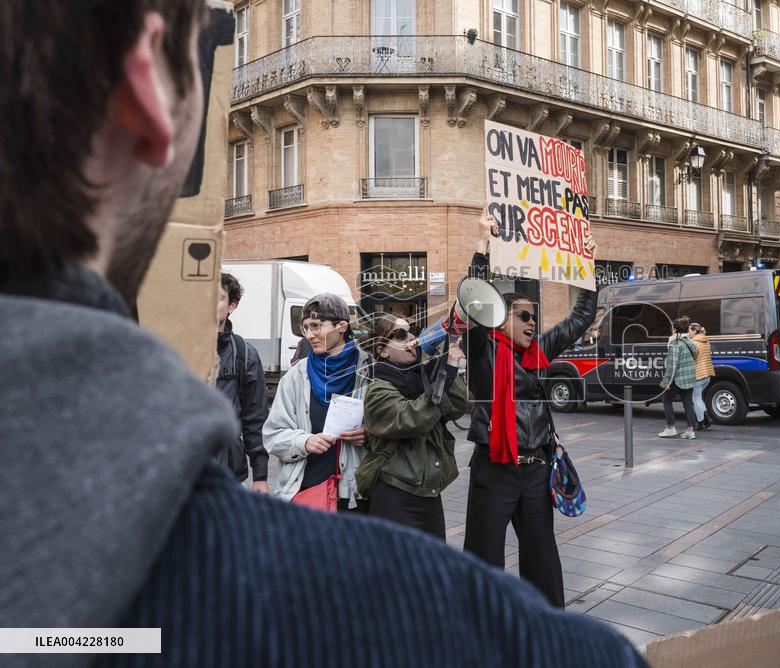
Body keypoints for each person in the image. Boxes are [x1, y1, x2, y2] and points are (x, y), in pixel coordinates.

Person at [0, 4, 645, 662]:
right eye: (214, 43)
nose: (315, 331)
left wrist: (576, 269)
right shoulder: (378, 606)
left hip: (485, 479)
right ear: (146, 88)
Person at [463, 208, 598, 608]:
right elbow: (473, 303)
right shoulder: (482, 352)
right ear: (501, 319)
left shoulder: (539, 353)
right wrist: (483, 246)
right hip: (495, 469)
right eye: (524, 316)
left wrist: (587, 263)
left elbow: (581, 317)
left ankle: (548, 623)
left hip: (537, 469)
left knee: (542, 557)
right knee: (484, 557)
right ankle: (483, 625)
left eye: (534, 317)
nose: (532, 323)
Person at [357, 315, 472, 538]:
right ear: (382, 351)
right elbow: (412, 419)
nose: (411, 338)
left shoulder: (423, 377)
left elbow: (462, 405)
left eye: (413, 332)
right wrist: (444, 375)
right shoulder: (378, 388)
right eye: (401, 335)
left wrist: (439, 367)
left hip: (429, 492)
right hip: (395, 495)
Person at [264, 294, 370, 510]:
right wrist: (304, 442)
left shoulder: (369, 370)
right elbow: (272, 435)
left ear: (342, 326)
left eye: (316, 326)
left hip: (355, 495)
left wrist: (370, 435)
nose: (309, 335)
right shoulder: (295, 377)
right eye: (305, 328)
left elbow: (391, 426)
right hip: (307, 491)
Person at [215, 272, 269, 493]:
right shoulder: (176, 349)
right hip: (183, 472)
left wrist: (260, 476)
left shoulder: (244, 354)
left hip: (229, 473)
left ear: (232, 305)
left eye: (219, 297)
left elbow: (255, 419)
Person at [658, 316, 698, 439]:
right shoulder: (690, 342)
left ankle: (670, 428)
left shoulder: (675, 343)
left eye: (672, 327)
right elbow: (695, 356)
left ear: (675, 329)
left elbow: (672, 364)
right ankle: (690, 431)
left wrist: (667, 381)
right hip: (689, 378)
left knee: (666, 400)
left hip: (678, 379)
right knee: (688, 403)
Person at [688, 321, 715, 431]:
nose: (688, 333)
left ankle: (701, 422)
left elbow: (691, 359)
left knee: (695, 398)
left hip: (698, 374)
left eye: (689, 331)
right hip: (707, 374)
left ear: (695, 331)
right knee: (698, 398)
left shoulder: (694, 343)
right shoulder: (705, 340)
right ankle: (706, 418)